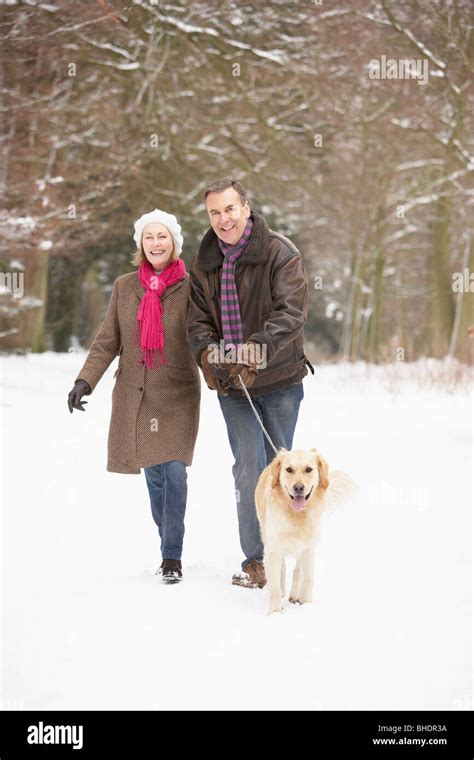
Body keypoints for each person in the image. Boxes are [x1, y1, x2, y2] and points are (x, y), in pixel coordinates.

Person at [187, 178, 313, 589]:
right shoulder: (204, 263)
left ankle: (289, 546)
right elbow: (199, 321)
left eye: (229, 209)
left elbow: (290, 312)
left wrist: (253, 353)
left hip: (279, 381)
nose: (223, 219)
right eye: (214, 213)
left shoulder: (280, 251)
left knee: (285, 474)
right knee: (248, 470)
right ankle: (255, 560)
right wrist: (211, 358)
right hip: (233, 387)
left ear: (246, 207)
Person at [67, 209, 200, 584]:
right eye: (149, 237)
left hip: (176, 394)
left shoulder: (192, 286)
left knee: (174, 472)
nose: (156, 243)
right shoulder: (126, 286)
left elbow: (204, 337)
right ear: (141, 243)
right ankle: (167, 542)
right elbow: (108, 339)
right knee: (155, 477)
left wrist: (224, 373)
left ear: (174, 243)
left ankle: (171, 556)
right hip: (136, 395)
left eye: (163, 237)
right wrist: (85, 381)